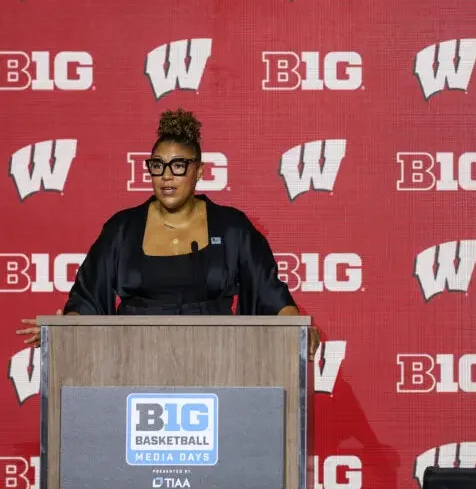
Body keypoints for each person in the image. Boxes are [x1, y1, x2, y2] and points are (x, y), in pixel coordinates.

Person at [16, 107, 319, 357]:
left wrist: (300, 331)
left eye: (178, 166)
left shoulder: (231, 226)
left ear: (199, 171)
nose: (166, 177)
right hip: (131, 361)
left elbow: (270, 293)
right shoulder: (122, 229)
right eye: (157, 166)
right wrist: (65, 331)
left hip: (218, 360)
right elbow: (87, 298)